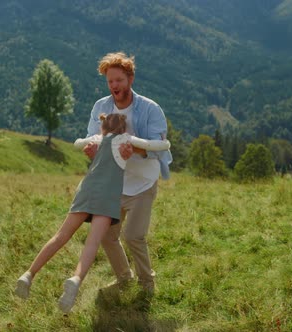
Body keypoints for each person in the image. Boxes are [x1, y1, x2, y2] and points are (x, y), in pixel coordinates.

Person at [15, 113, 170, 314]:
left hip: (86, 190)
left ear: (102, 129)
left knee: (61, 235)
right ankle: (76, 279)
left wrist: (89, 142)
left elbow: (78, 143)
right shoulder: (126, 140)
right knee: (93, 242)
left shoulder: (97, 139)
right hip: (107, 196)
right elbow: (156, 146)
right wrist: (163, 142)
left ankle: (28, 274)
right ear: (124, 130)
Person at [83, 51, 172, 296]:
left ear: (130, 79)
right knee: (106, 235)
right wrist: (92, 153)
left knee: (133, 236)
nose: (114, 86)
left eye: (119, 80)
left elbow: (158, 148)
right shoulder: (101, 107)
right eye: (110, 81)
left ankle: (147, 283)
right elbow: (94, 138)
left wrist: (136, 150)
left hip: (142, 183)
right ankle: (124, 278)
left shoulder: (150, 109)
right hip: (114, 184)